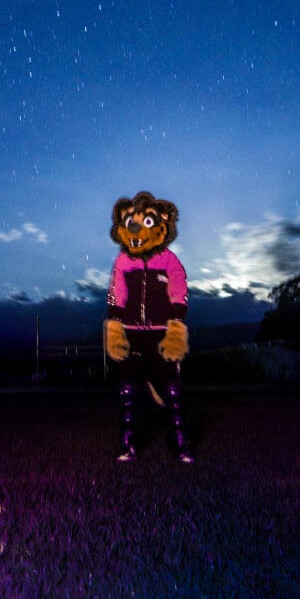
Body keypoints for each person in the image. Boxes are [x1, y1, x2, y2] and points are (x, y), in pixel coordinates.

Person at [104, 192, 193, 462]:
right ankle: (127, 444)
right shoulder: (123, 261)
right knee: (127, 391)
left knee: (173, 391)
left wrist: (176, 327)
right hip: (131, 334)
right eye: (131, 221)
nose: (136, 228)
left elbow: (179, 292)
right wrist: (115, 328)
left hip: (161, 334)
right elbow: (117, 294)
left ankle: (179, 442)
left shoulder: (169, 260)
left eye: (146, 221)